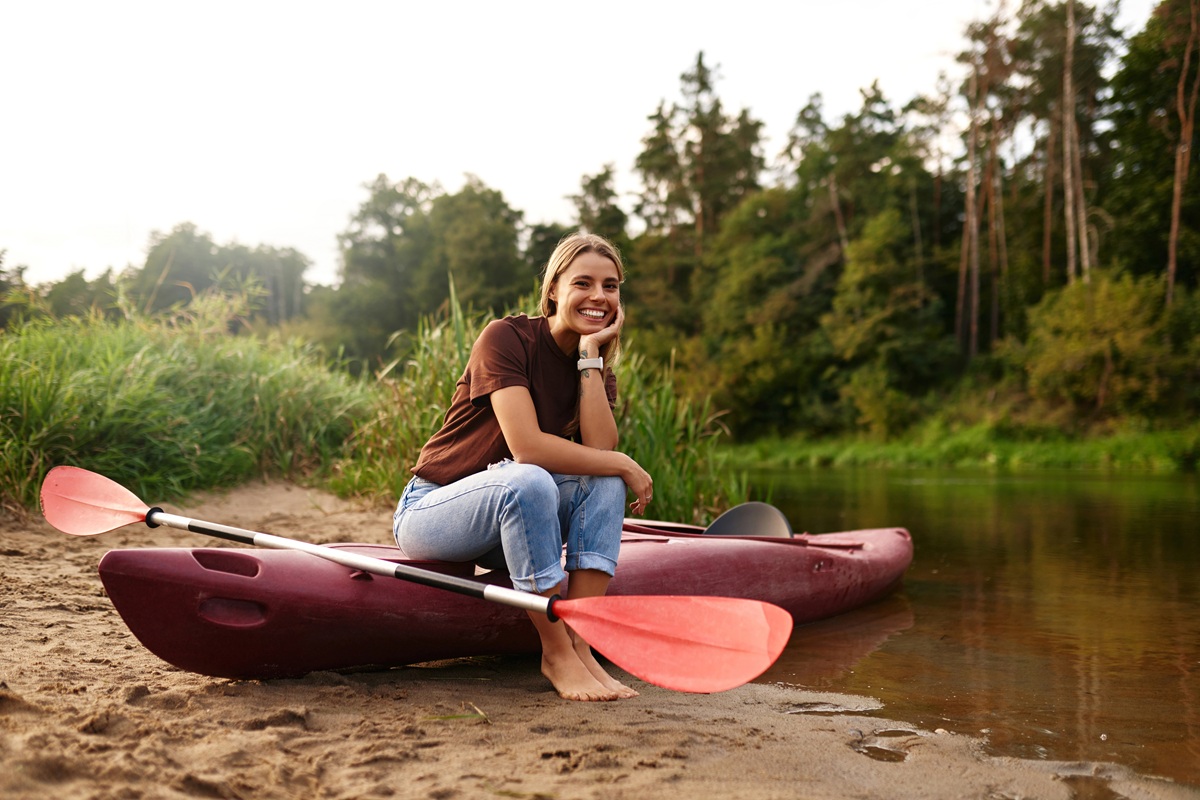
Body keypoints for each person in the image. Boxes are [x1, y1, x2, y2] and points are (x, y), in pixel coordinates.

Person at [392, 232, 654, 702]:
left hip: (516, 523)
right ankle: (555, 652)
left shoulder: (590, 366)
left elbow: (599, 450)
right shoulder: (506, 338)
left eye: (611, 286)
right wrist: (622, 461)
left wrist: (591, 358)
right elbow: (527, 447)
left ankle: (581, 641)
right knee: (530, 478)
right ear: (554, 288)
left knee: (607, 485)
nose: (599, 296)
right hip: (435, 509)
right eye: (584, 282)